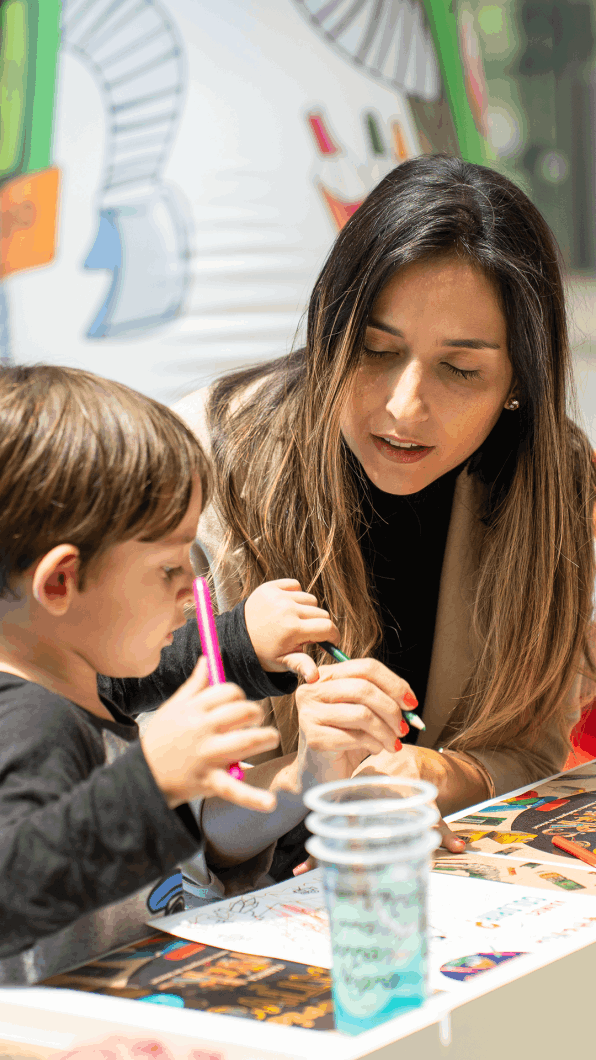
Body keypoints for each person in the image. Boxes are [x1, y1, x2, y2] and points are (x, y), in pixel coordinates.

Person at [174, 154, 596, 874]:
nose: (404, 407)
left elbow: (533, 748)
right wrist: (309, 779)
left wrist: (438, 777)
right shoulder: (206, 471)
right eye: (374, 349)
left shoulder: (552, 481)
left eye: (461, 370)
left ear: (520, 380)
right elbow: (171, 821)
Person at [0, 364, 393, 983]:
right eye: (166, 570)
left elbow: (136, 681)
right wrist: (149, 783)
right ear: (59, 582)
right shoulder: (36, 721)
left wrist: (241, 642)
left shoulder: (69, 672)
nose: (193, 587)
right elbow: (12, 889)